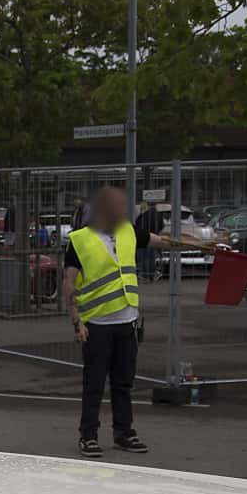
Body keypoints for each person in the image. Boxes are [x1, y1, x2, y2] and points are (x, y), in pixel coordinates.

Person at [65, 186, 172, 457]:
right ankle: (88, 435)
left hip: (127, 321)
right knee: (95, 384)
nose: (123, 211)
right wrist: (76, 321)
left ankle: (124, 433)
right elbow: (68, 283)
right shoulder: (79, 240)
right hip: (97, 324)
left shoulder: (128, 231)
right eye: (118, 206)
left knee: (123, 383)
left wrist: (195, 243)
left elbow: (160, 241)